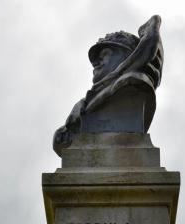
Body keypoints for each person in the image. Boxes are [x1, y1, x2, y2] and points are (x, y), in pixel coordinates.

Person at [53, 15, 163, 156]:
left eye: (104, 55)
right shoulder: (83, 105)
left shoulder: (133, 82)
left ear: (126, 56)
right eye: (95, 60)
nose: (96, 63)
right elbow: (61, 142)